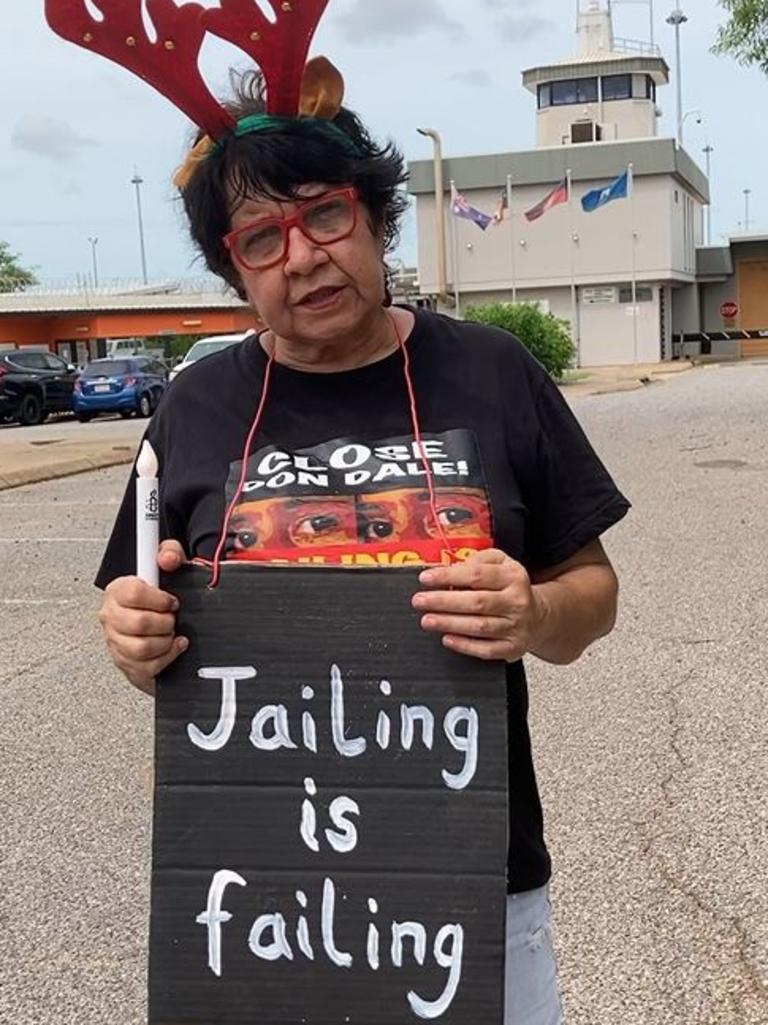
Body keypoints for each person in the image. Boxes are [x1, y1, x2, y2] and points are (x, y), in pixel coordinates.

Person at [94, 69, 629, 1023]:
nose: (302, 258)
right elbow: (142, 618)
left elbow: (591, 594)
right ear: (235, 271)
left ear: (375, 217)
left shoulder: (492, 373)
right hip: (253, 890)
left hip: (470, 878)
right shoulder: (195, 405)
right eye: (262, 239)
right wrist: (135, 636)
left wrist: (536, 610)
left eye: (325, 216)